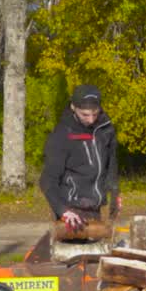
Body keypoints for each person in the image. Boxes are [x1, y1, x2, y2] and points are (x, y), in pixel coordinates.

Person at [39, 84, 120, 233]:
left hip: (95, 206)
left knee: (96, 251)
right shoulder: (62, 134)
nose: (90, 120)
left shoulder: (105, 129)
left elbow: (111, 163)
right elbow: (47, 180)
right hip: (70, 209)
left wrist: (115, 191)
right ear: (73, 107)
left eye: (95, 114)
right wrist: (62, 210)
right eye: (85, 115)